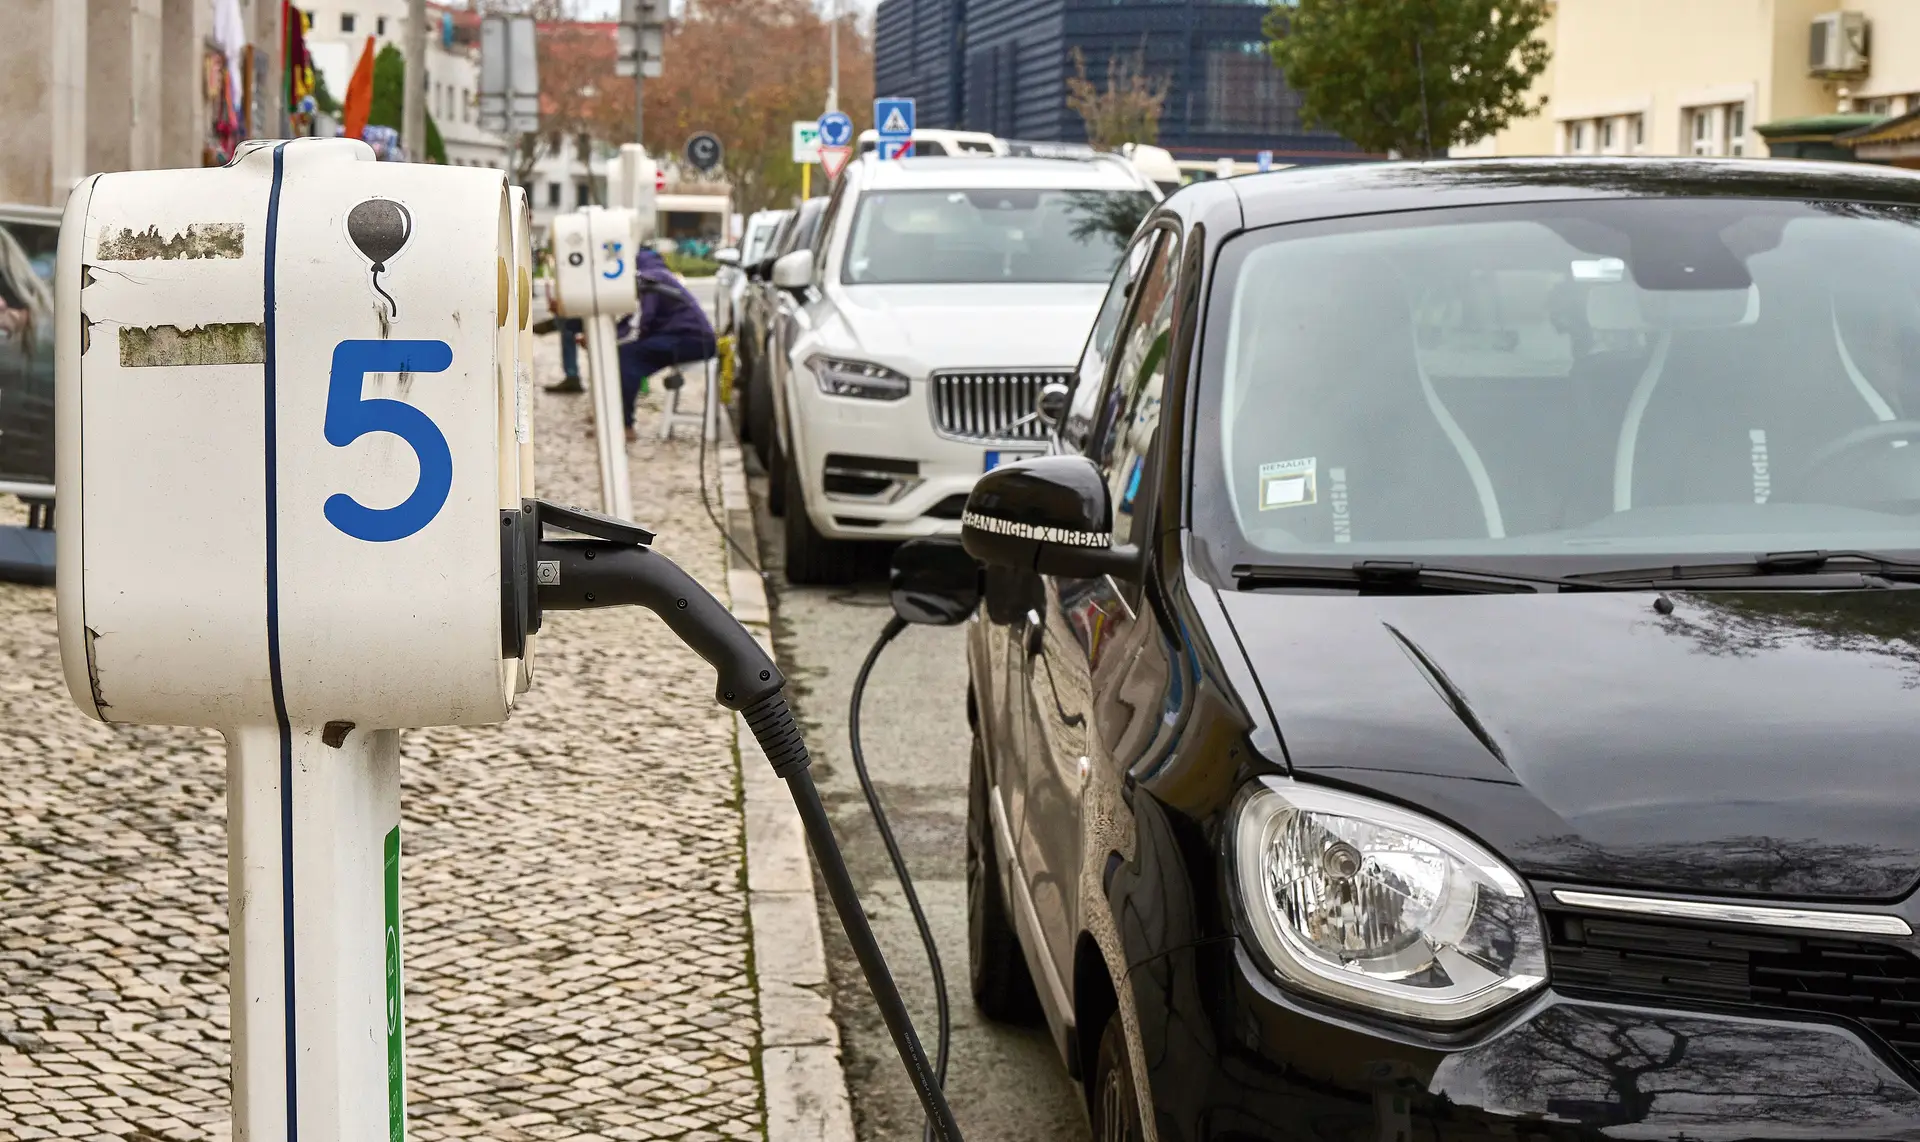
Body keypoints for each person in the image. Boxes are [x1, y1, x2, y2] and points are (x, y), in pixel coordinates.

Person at [616, 246, 716, 441]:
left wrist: (619, 338)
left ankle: (624, 425)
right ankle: (616, 418)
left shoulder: (650, 277)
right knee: (627, 354)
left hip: (691, 340)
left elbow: (644, 321)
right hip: (694, 338)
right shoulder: (659, 275)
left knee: (627, 358)